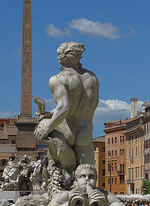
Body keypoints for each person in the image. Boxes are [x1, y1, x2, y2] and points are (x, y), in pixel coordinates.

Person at [34, 42, 100, 186]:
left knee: (58, 180)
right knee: (86, 183)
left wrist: (46, 126)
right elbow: (84, 106)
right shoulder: (93, 78)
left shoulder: (58, 79)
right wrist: (50, 113)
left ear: (61, 58)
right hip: (85, 133)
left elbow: (64, 107)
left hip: (66, 132)